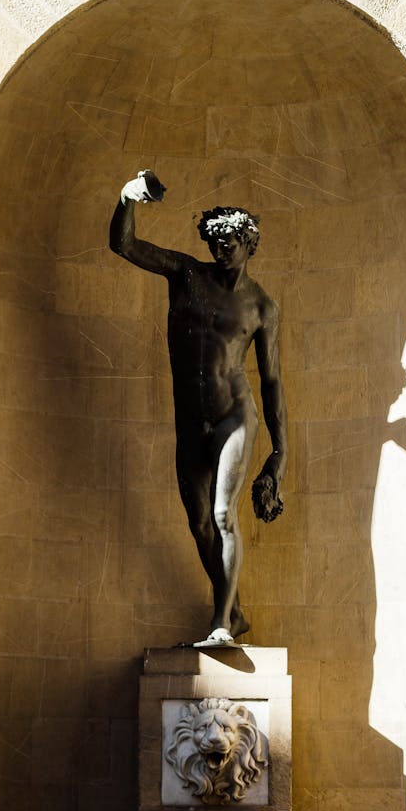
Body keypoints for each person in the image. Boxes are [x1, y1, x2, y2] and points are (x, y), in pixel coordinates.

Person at [110, 171, 288, 646]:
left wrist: (280, 454)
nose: (221, 247)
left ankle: (220, 624)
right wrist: (128, 198)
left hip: (235, 415)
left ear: (249, 243)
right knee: (199, 524)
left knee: (224, 515)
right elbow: (124, 245)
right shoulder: (186, 274)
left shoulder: (262, 307)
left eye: (230, 240)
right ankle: (235, 611)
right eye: (214, 240)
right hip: (190, 420)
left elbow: (271, 381)